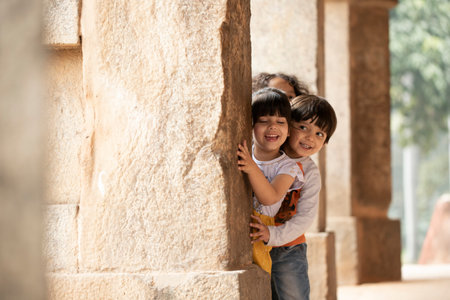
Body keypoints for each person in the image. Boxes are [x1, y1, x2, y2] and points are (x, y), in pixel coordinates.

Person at [250, 94, 337, 300]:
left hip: (288, 248)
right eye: (303, 127)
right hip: (256, 242)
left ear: (324, 143)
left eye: (319, 134)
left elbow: (304, 218)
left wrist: (273, 235)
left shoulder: (310, 173)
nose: (310, 138)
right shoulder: (265, 153)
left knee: (293, 296)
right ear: (288, 127)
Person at [237, 87, 304, 274]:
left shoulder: (288, 167)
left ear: (289, 130)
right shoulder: (246, 154)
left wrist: (251, 168)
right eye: (264, 121)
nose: (272, 127)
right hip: (236, 223)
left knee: (260, 276)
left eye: (280, 122)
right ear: (249, 125)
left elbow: (270, 197)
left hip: (259, 230)